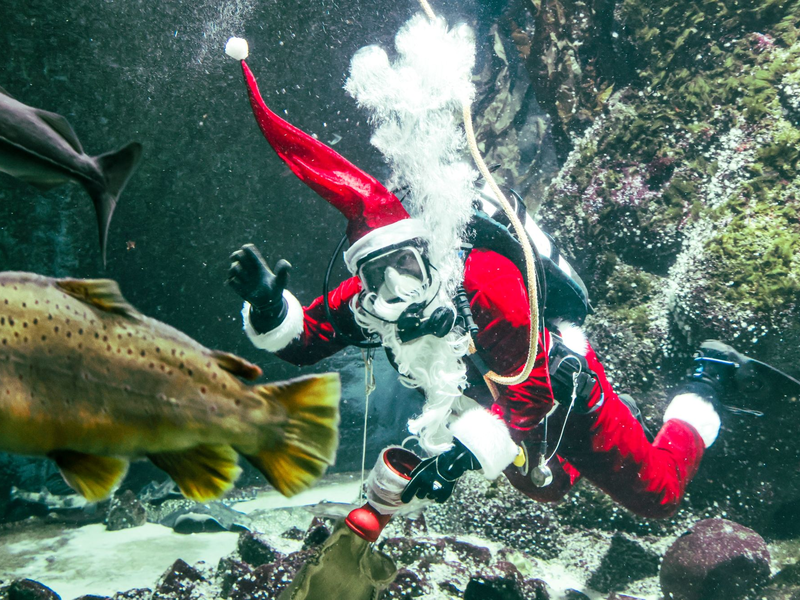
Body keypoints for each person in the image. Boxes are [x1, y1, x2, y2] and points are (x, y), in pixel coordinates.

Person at [224, 44, 749, 543]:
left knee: (658, 495)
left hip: (558, 388)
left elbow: (530, 397)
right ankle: (618, 420)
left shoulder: (486, 284)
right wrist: (269, 308)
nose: (395, 284)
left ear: (426, 251)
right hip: (490, 402)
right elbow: (306, 339)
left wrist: (460, 458)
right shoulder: (368, 301)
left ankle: (705, 382)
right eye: (377, 272)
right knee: (547, 487)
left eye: (404, 264)